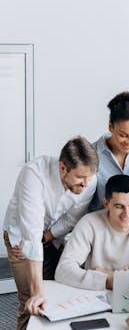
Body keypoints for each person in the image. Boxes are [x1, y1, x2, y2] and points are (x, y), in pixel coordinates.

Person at [3, 136, 99, 330]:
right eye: (80, 178)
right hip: (21, 239)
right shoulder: (33, 175)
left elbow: (71, 219)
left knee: (58, 295)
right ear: (63, 168)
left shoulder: (89, 180)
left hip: (52, 235)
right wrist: (38, 291)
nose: (86, 183)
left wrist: (49, 236)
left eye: (89, 177)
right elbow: (31, 236)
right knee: (31, 301)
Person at [55, 174, 129, 290]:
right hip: (96, 294)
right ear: (106, 203)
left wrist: (117, 277)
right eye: (119, 206)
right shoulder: (89, 223)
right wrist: (108, 281)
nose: (127, 213)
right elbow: (63, 270)